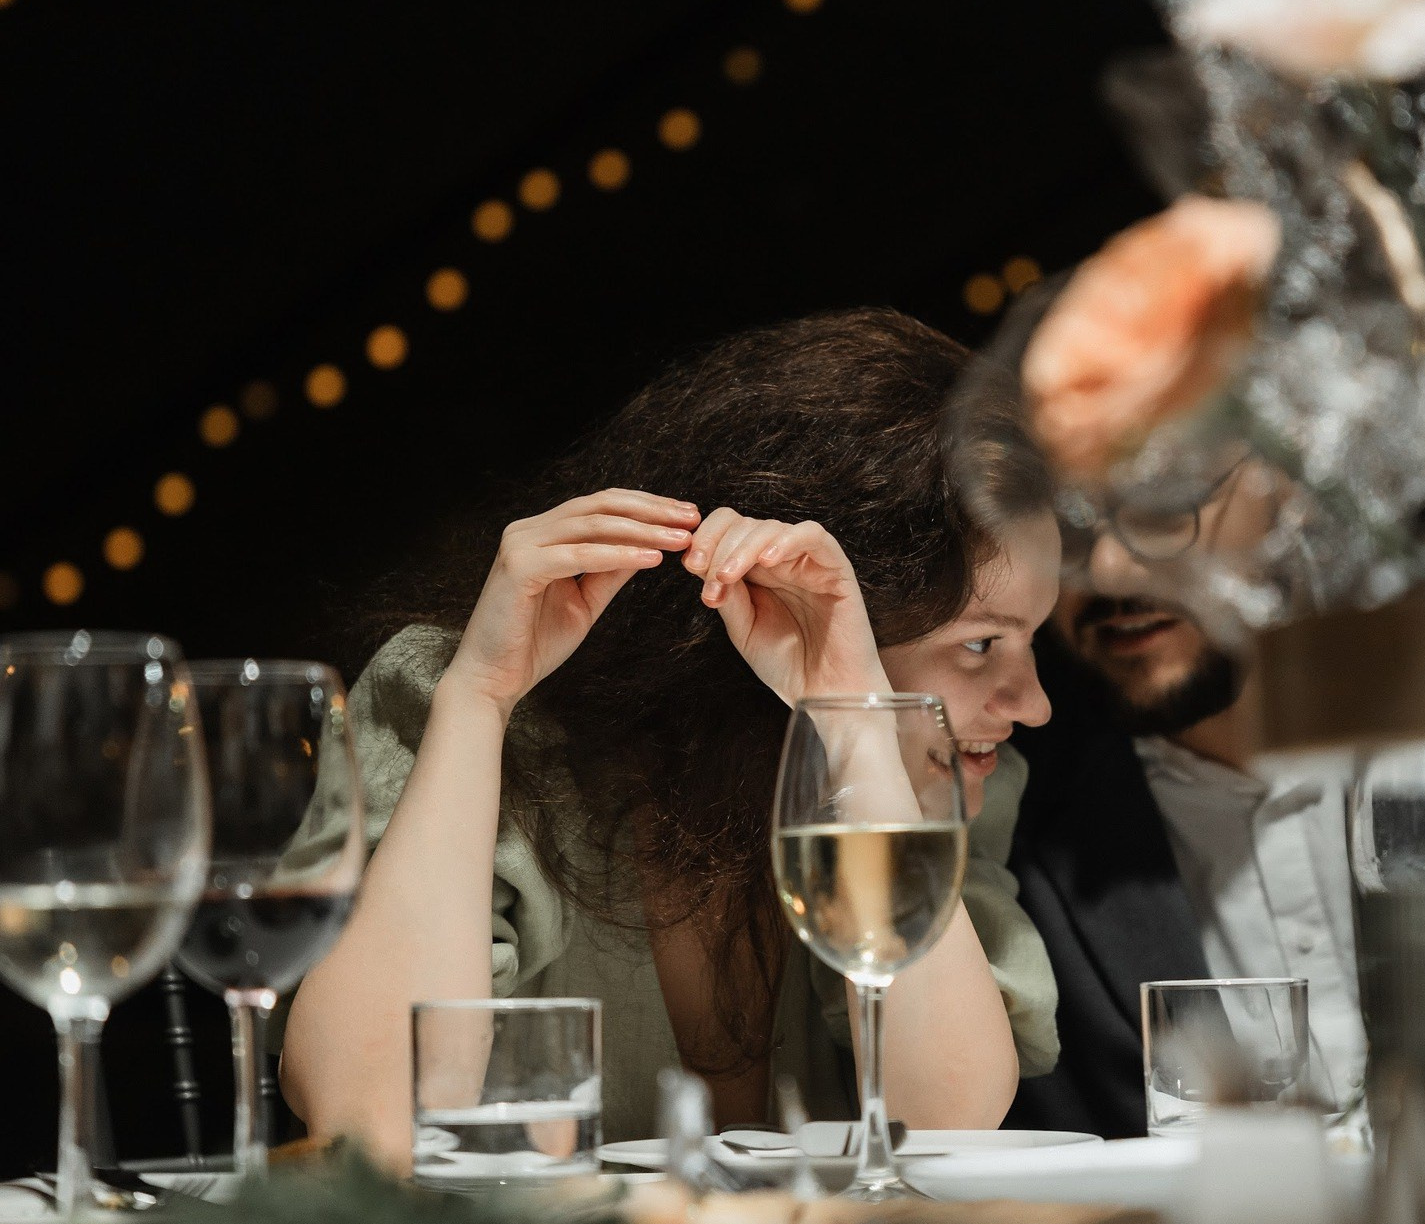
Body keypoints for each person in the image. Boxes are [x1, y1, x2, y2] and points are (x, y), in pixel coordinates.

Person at [280, 310, 1062, 1165]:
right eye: (981, 644)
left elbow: (947, 1117)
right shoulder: (458, 701)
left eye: (1032, 640)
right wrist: (479, 697)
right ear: (786, 595)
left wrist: (853, 717)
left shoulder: (935, 773)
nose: (1034, 706)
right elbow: (366, 1115)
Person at [997, 452, 1367, 1139]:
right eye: (1067, 527)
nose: (1110, 569)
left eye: (1163, 504)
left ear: (1294, 489)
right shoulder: (1007, 831)